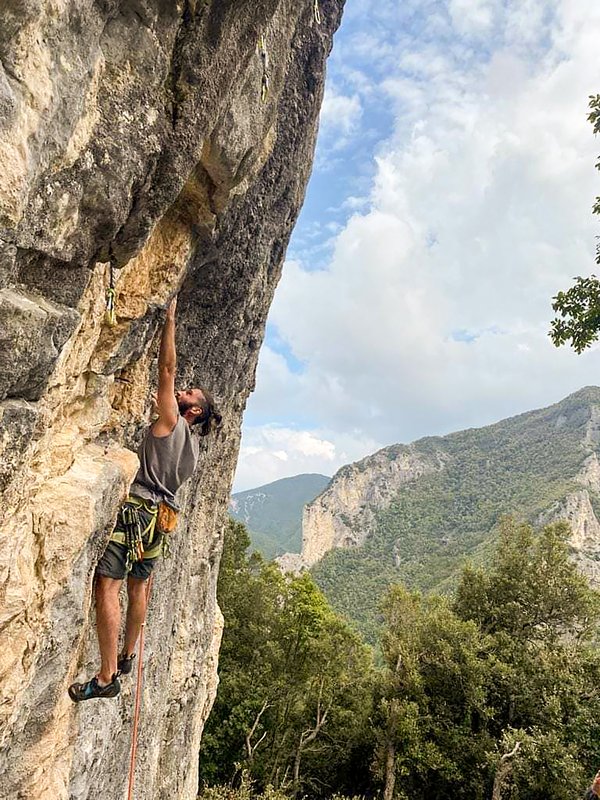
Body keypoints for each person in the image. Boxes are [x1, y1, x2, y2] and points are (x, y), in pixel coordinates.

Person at [69, 296, 221, 701]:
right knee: (139, 587)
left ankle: (105, 677)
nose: (182, 391)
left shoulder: (172, 420)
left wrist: (170, 321)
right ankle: (128, 654)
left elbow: (165, 370)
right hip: (163, 520)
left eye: (189, 394)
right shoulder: (193, 450)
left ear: (192, 412)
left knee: (108, 585)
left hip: (138, 510)